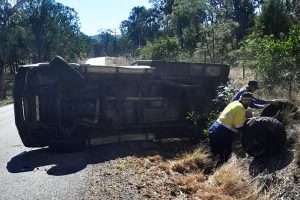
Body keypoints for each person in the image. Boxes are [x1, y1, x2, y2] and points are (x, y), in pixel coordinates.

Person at [208, 92, 254, 163]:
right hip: (222, 132)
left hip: (215, 128)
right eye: (249, 101)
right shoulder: (240, 108)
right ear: (246, 100)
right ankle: (221, 170)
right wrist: (249, 124)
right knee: (225, 154)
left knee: (217, 154)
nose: (249, 103)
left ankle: (215, 169)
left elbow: (234, 119)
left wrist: (246, 119)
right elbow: (238, 127)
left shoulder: (234, 103)